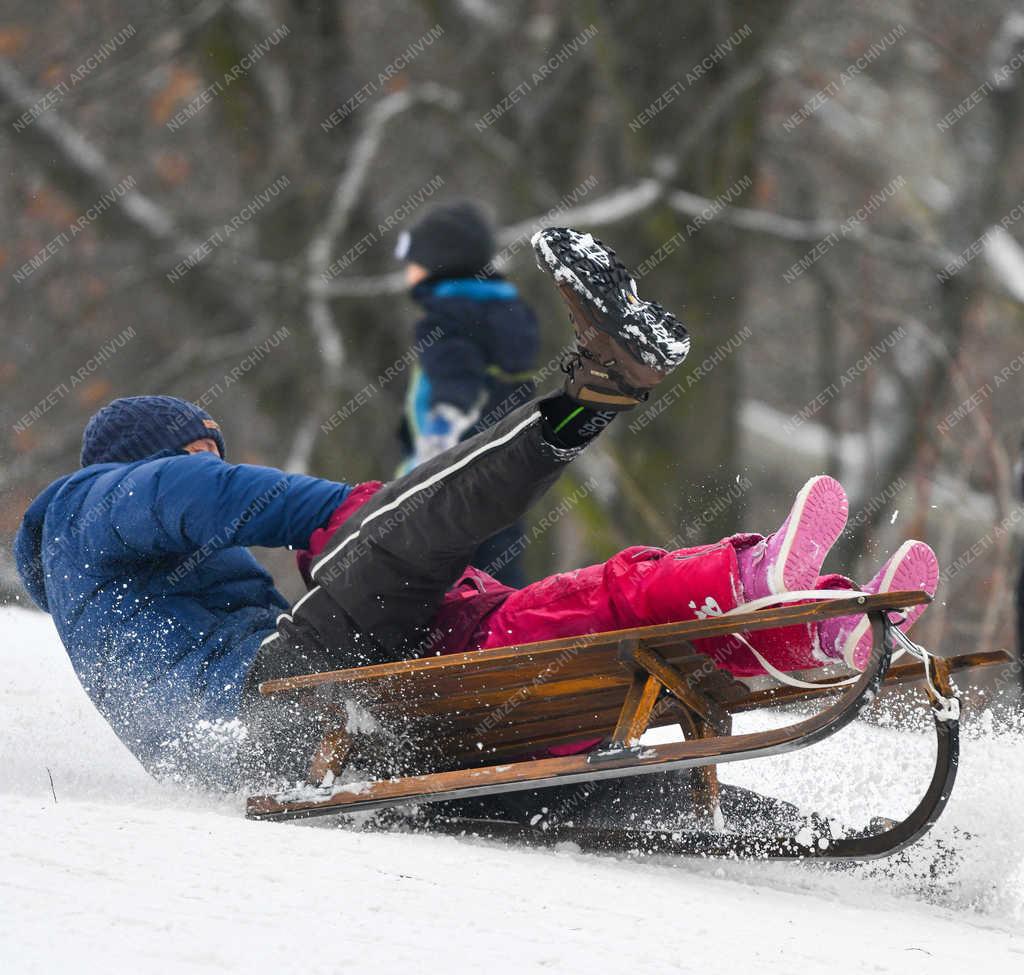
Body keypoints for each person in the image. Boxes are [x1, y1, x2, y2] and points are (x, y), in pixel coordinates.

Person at [15, 227, 937, 793]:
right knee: (396, 532)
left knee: (573, 627)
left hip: (341, 723)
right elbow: (201, 493)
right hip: (270, 710)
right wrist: (348, 513)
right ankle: (601, 390)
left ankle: (785, 615)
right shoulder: (88, 507)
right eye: (197, 445)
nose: (209, 464)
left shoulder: (143, 583)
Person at [393, 200, 540, 586]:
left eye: (413, 260)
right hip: (511, 463)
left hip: (455, 468)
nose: (406, 270)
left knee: (437, 569)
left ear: (438, 261)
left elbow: (456, 380)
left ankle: (451, 640)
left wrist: (434, 448)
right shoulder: (510, 313)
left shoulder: (445, 317)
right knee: (500, 560)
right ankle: (512, 629)